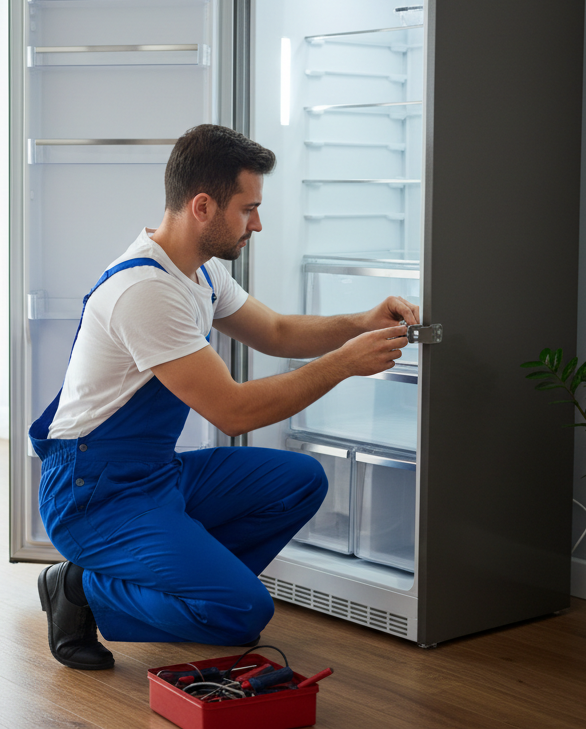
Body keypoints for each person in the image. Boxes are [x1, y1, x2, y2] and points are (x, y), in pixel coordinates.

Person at [31, 123, 420, 670]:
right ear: (203, 206)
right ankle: (82, 588)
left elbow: (278, 332)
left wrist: (361, 322)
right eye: (248, 209)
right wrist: (344, 365)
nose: (257, 224)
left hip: (152, 475)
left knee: (300, 482)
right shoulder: (146, 291)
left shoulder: (200, 272)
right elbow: (233, 412)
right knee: (243, 614)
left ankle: (186, 582)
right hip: (92, 493)